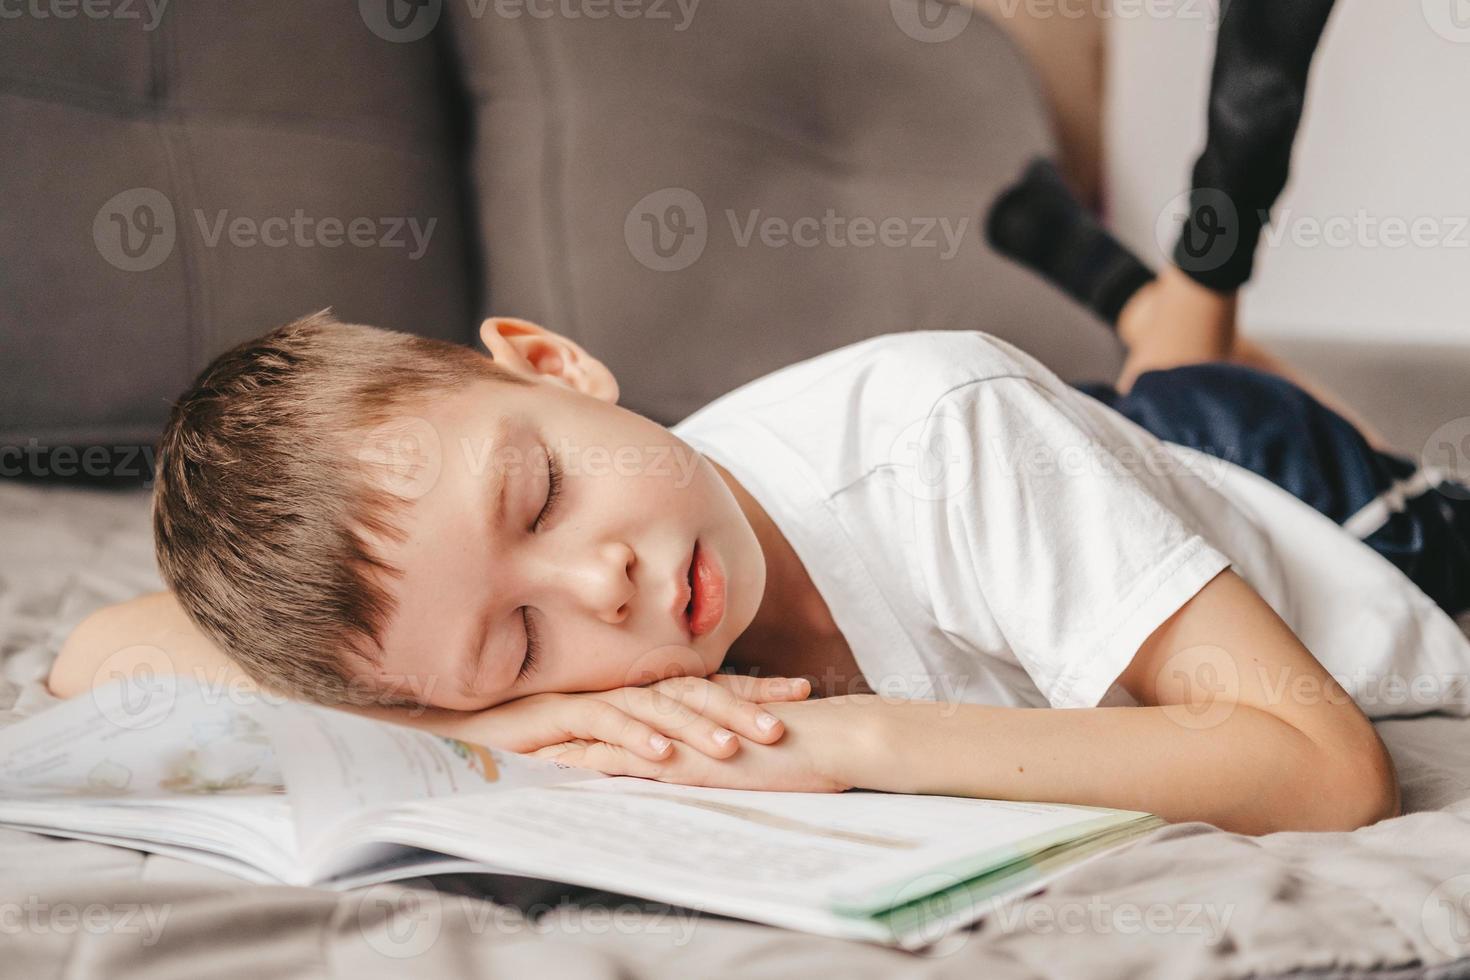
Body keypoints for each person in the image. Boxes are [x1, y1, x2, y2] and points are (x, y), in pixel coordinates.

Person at [48, 306, 1470, 836]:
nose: (593, 591)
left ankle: (1189, 339)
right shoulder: (542, 623)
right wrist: (486, 720)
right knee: (1147, 402)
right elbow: (97, 654)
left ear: (550, 362)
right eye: (514, 644)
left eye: (540, 490)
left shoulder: (941, 429)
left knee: (1227, 413)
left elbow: (1320, 771)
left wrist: (841, 740)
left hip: (1355, 530)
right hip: (1073, 472)